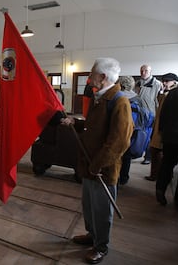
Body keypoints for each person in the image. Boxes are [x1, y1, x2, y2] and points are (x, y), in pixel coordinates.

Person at [63, 58, 133, 264]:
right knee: (89, 205)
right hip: (89, 165)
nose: (89, 77)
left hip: (103, 169)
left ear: (102, 77)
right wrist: (76, 123)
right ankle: (92, 235)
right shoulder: (99, 97)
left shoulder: (119, 101)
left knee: (102, 209)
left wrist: (98, 164)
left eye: (92, 73)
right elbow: (93, 128)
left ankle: (101, 246)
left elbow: (120, 141)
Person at [155, 73, 178, 209]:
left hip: (171, 136)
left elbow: (164, 113)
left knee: (167, 164)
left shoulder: (174, 93)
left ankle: (160, 189)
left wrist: (162, 132)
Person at [145, 73, 178, 181]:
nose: (164, 83)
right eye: (163, 81)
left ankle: (161, 176)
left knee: (162, 153)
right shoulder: (165, 92)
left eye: (167, 81)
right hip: (159, 124)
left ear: (174, 81)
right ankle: (155, 175)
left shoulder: (175, 94)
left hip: (166, 128)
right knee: (155, 151)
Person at [117, 75, 147, 185]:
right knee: (127, 156)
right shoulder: (138, 98)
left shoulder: (117, 96)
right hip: (133, 131)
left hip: (119, 130)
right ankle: (124, 177)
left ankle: (114, 176)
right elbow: (143, 116)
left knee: (117, 154)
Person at [136, 64, 163, 165]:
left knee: (149, 137)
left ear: (150, 72)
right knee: (138, 135)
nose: (143, 73)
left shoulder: (157, 84)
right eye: (141, 71)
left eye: (146, 71)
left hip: (150, 115)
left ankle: (148, 157)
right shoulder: (138, 83)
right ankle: (136, 153)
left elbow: (160, 100)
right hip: (139, 114)